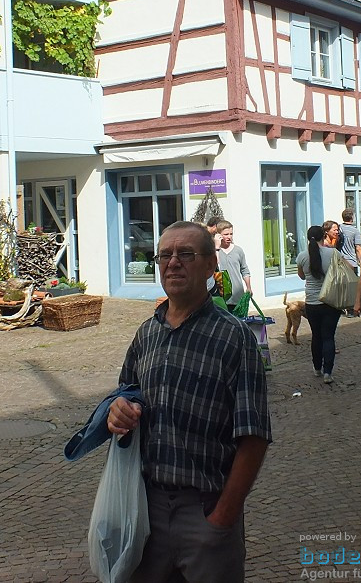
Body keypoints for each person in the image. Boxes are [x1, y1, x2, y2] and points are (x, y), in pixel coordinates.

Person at [107, 222, 272, 582]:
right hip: (146, 510)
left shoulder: (235, 337)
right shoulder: (147, 333)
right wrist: (116, 413)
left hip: (205, 508)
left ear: (212, 265)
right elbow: (123, 397)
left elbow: (254, 435)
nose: (173, 263)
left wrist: (222, 518)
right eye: (165, 255)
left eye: (186, 254)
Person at [296, 224, 342, 383]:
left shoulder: (302, 256)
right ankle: (328, 372)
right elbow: (340, 273)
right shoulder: (333, 253)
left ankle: (317, 368)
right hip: (331, 302)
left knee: (316, 336)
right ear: (324, 236)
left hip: (312, 303)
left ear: (308, 238)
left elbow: (301, 276)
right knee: (329, 337)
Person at [216, 220, 252, 309]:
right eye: (226, 234)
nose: (229, 237)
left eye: (231, 234)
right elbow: (214, 266)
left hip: (237, 295)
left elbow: (244, 270)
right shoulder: (215, 251)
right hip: (220, 297)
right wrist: (216, 248)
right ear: (219, 235)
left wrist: (248, 287)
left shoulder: (238, 250)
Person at [338, 208, 361, 275]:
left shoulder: (338, 228)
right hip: (351, 262)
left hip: (339, 262)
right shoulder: (355, 231)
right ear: (352, 218)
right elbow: (358, 248)